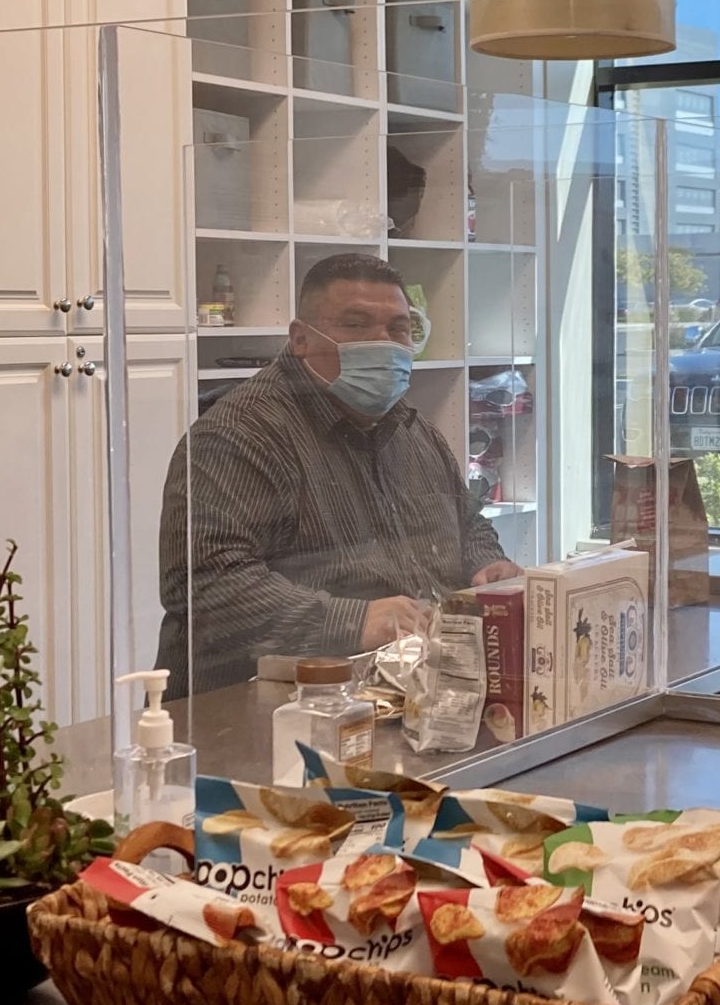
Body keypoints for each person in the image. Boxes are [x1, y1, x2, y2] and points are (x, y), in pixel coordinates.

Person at [157, 253, 521, 694]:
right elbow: (205, 587)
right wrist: (353, 621)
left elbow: (465, 519)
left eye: (398, 329)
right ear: (300, 339)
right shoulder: (238, 436)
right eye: (355, 324)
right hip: (265, 705)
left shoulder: (411, 427)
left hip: (398, 689)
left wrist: (485, 562)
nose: (383, 343)